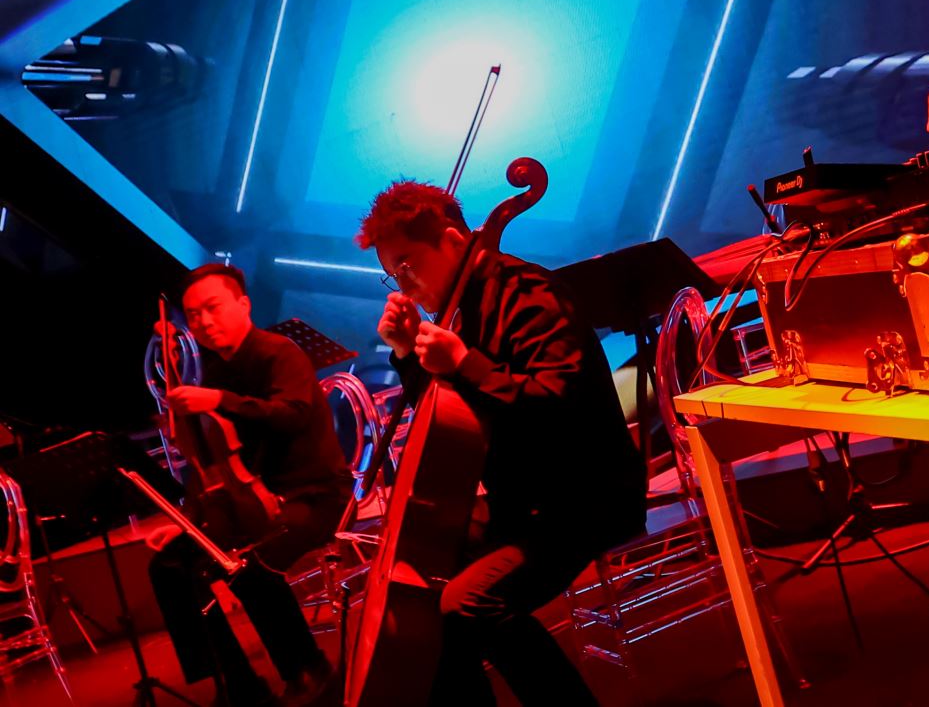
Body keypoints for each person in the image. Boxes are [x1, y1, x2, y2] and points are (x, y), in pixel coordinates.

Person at [359, 180, 646, 705]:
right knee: (420, 594)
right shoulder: (458, 313)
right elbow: (454, 416)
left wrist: (465, 362)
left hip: (584, 495)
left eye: (407, 266)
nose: (403, 286)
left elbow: (556, 407)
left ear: (452, 241)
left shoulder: (527, 293)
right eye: (392, 275)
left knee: (467, 604)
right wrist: (406, 355)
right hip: (522, 500)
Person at [146, 263, 349, 706]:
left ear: (243, 304)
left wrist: (219, 400)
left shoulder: (279, 353)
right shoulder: (207, 372)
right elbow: (210, 462)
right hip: (250, 504)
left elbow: (292, 414)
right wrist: (190, 523)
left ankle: (309, 671)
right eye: (193, 314)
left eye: (212, 308)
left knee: (248, 565)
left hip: (314, 494)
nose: (203, 321)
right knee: (171, 567)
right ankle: (236, 684)